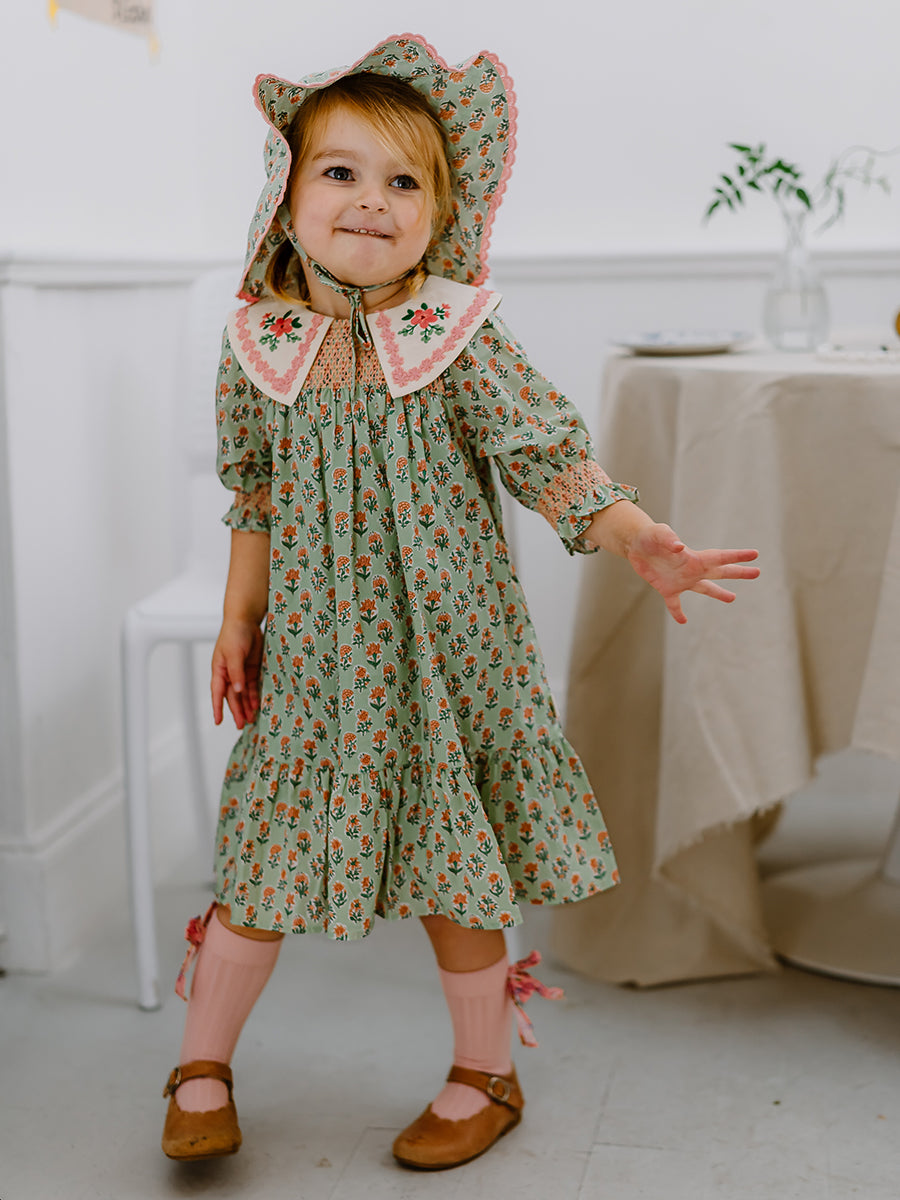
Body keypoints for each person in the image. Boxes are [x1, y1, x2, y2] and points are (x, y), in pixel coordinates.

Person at [160, 34, 759, 1170]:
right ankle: (200, 1064)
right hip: (318, 658)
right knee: (265, 858)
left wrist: (637, 536)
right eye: (341, 172)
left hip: (449, 655)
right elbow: (256, 495)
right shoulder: (257, 345)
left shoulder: (458, 337)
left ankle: (487, 1070)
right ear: (286, 193)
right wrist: (240, 621)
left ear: (442, 211)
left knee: (453, 865)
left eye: (404, 182)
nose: (371, 201)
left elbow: (549, 461)